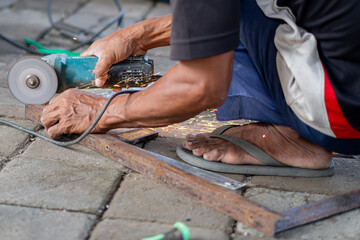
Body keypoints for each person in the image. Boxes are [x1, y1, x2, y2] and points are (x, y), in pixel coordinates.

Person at [41, 0, 360, 176]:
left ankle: (291, 135)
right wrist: (140, 35)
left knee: (234, 26)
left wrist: (99, 111)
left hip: (347, 117)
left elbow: (201, 85)